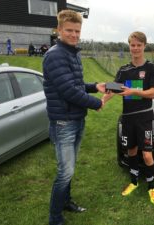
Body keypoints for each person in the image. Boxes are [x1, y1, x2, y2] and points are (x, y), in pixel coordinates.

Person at [42, 9, 105, 225]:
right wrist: (97, 103)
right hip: (63, 123)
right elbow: (68, 91)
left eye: (77, 31)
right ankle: (55, 218)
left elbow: (76, 85)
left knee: (70, 169)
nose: (74, 35)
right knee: (65, 172)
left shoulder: (72, 53)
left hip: (76, 119)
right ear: (59, 30)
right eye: (69, 30)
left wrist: (95, 87)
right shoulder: (55, 55)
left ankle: (66, 202)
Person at [103, 31, 154, 205]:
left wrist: (134, 91)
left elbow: (153, 93)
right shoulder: (124, 70)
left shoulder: (151, 68)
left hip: (144, 119)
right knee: (131, 151)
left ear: (144, 46)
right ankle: (134, 182)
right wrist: (103, 99)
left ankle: (151, 186)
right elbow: (114, 88)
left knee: (147, 156)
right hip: (128, 119)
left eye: (138, 45)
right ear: (129, 46)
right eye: (132, 45)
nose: (135, 48)